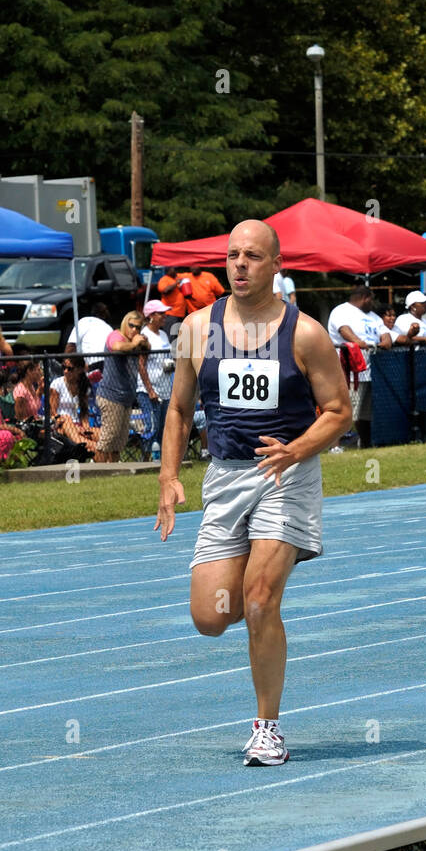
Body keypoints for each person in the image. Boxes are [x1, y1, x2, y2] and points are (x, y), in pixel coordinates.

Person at [155, 219, 351, 767]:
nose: (240, 264)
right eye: (233, 255)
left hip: (285, 475)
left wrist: (296, 449)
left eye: (253, 256)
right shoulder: (198, 329)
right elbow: (179, 409)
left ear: (276, 265)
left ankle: (268, 729)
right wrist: (168, 477)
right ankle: (251, 583)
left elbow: (339, 412)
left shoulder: (304, 333)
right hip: (225, 476)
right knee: (211, 616)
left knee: (261, 600)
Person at [327, 282, 391, 448]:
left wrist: (386, 340)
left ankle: (365, 445)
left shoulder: (373, 316)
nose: (373, 303)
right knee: (345, 409)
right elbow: (343, 330)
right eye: (371, 299)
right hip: (348, 370)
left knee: (365, 413)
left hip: (370, 371)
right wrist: (359, 342)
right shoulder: (342, 310)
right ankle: (336, 446)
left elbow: (385, 333)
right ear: (364, 298)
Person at [94, 312, 148, 462]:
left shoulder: (134, 341)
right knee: (109, 437)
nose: (134, 330)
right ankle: (96, 470)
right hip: (111, 396)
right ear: (125, 323)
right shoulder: (116, 335)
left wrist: (142, 342)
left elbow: (147, 348)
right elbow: (117, 346)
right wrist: (134, 344)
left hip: (126, 398)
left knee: (120, 441)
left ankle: (115, 470)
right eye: (131, 325)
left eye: (138, 327)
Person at [136, 300, 174, 448]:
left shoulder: (163, 334)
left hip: (164, 388)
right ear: (151, 316)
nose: (165, 316)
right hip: (149, 390)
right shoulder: (145, 336)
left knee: (163, 427)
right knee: (153, 426)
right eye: (161, 313)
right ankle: (147, 457)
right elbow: (141, 365)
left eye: (165, 313)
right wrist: (150, 390)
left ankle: (160, 457)